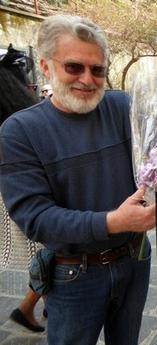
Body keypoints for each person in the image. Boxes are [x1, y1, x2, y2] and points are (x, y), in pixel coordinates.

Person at [0, 15, 157, 345]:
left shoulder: (121, 106)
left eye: (97, 69)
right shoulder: (19, 132)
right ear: (45, 65)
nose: (88, 79)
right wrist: (112, 221)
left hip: (135, 258)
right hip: (73, 276)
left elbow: (150, 173)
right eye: (74, 67)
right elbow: (36, 219)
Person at [0, 58, 45, 333]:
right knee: (49, 251)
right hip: (20, 196)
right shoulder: (21, 115)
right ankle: (28, 306)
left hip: (13, 194)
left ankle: (37, 304)